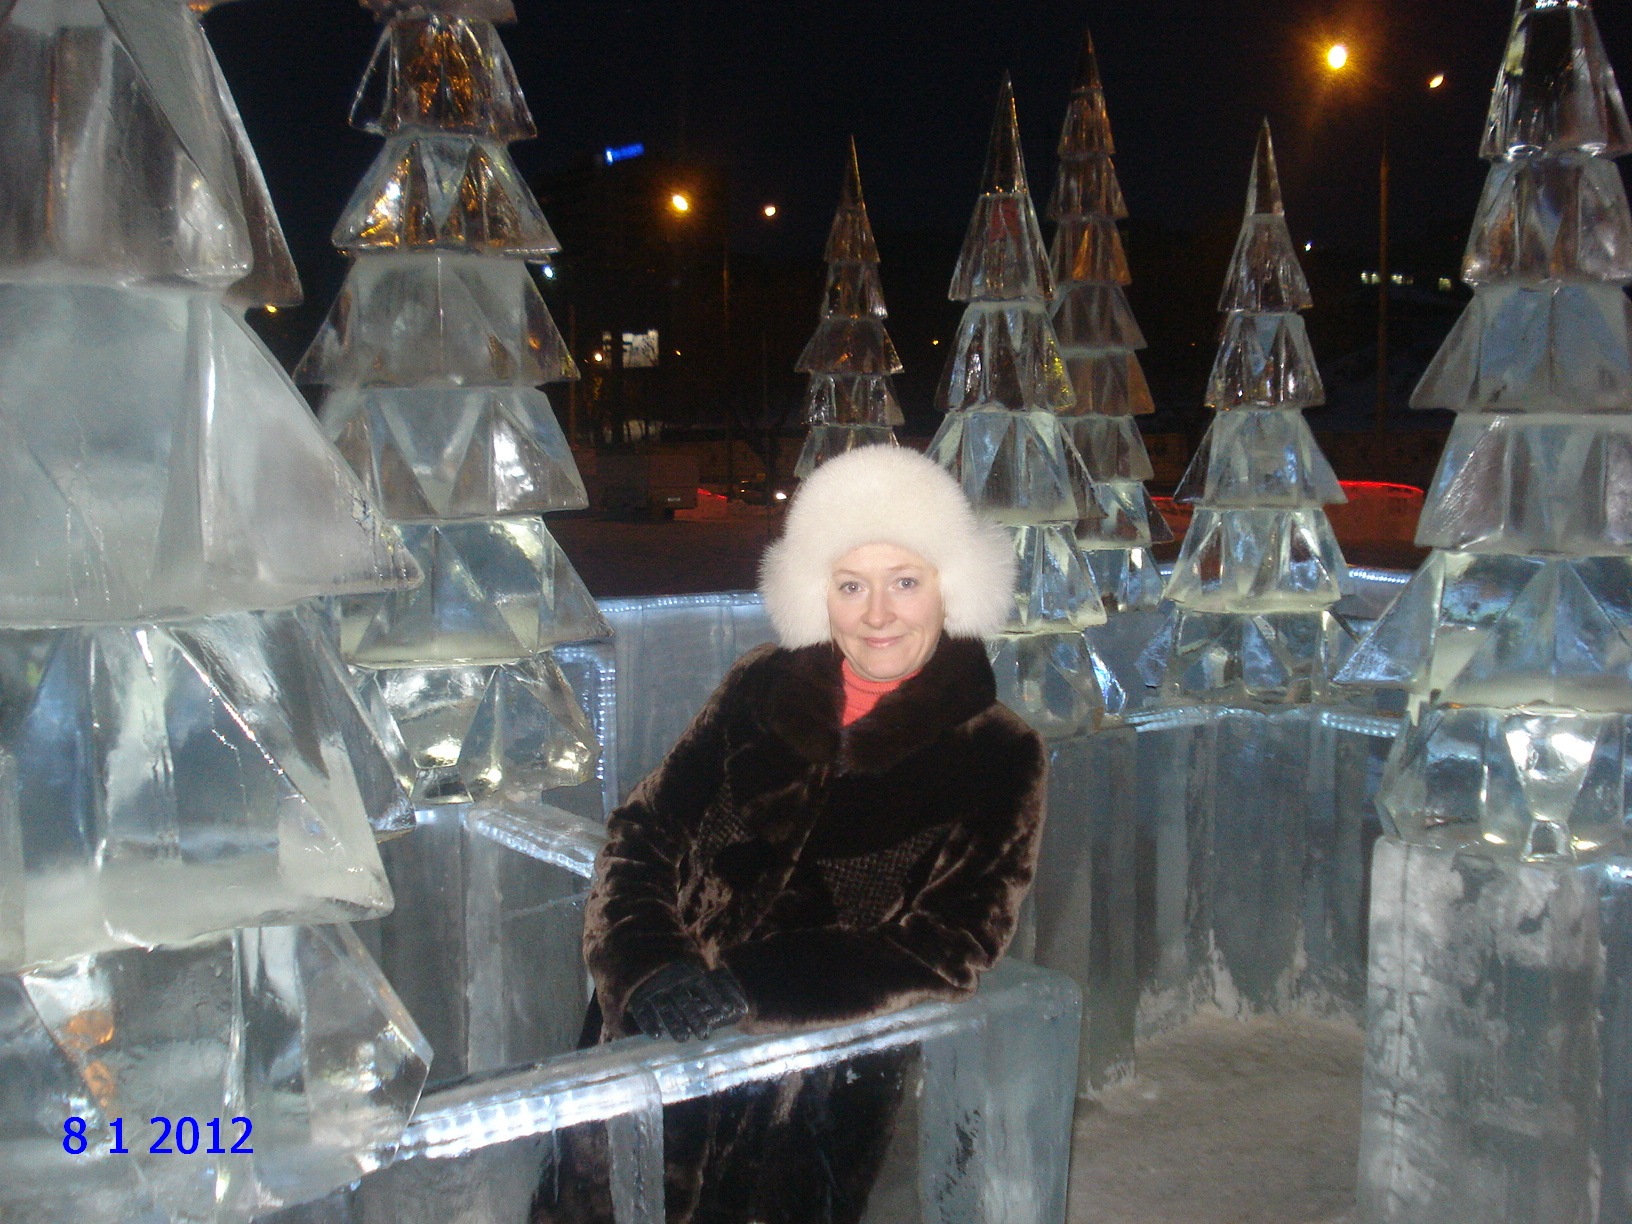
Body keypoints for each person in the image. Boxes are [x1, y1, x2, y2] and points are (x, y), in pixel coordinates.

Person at [548, 445, 1048, 1224]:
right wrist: (648, 969)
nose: (877, 614)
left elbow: (951, 943)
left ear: (952, 587)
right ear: (817, 593)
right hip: (642, 1057)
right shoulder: (759, 683)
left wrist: (753, 986)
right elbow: (644, 832)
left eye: (904, 582)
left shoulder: (997, 753)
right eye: (851, 585)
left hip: (806, 1100)